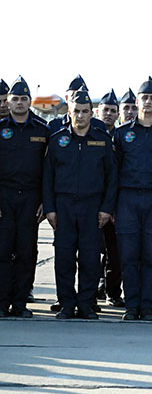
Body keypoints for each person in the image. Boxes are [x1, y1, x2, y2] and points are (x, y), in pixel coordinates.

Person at [43, 89, 117, 319]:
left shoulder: (102, 141)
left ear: (92, 113)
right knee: (64, 258)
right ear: (70, 112)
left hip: (92, 207)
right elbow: (47, 178)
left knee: (90, 258)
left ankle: (85, 303)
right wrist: (50, 209)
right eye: (77, 111)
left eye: (85, 111)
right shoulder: (57, 141)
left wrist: (106, 208)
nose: (81, 115)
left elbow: (111, 178)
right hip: (64, 206)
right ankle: (66, 303)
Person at [114, 77, 152, 321]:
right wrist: (112, 206)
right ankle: (132, 306)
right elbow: (113, 172)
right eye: (144, 98)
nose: (148, 102)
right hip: (127, 199)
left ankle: (148, 307)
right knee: (129, 256)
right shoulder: (121, 134)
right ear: (137, 102)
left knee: (151, 256)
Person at [0, 77, 49, 318]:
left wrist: (44, 200)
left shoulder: (42, 130)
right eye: (15, 99)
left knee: (26, 252)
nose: (19, 103)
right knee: (2, 252)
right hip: (4, 198)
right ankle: (1, 302)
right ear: (8, 102)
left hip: (31, 198)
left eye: (23, 99)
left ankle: (20, 303)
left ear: (30, 102)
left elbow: (49, 170)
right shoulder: (0, 128)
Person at [95, 90, 123, 306]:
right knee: (89, 252)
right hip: (92, 202)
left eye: (113, 111)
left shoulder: (122, 136)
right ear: (98, 111)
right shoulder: (92, 133)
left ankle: (113, 292)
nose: (109, 114)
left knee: (114, 253)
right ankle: (92, 290)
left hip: (114, 204)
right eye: (105, 110)